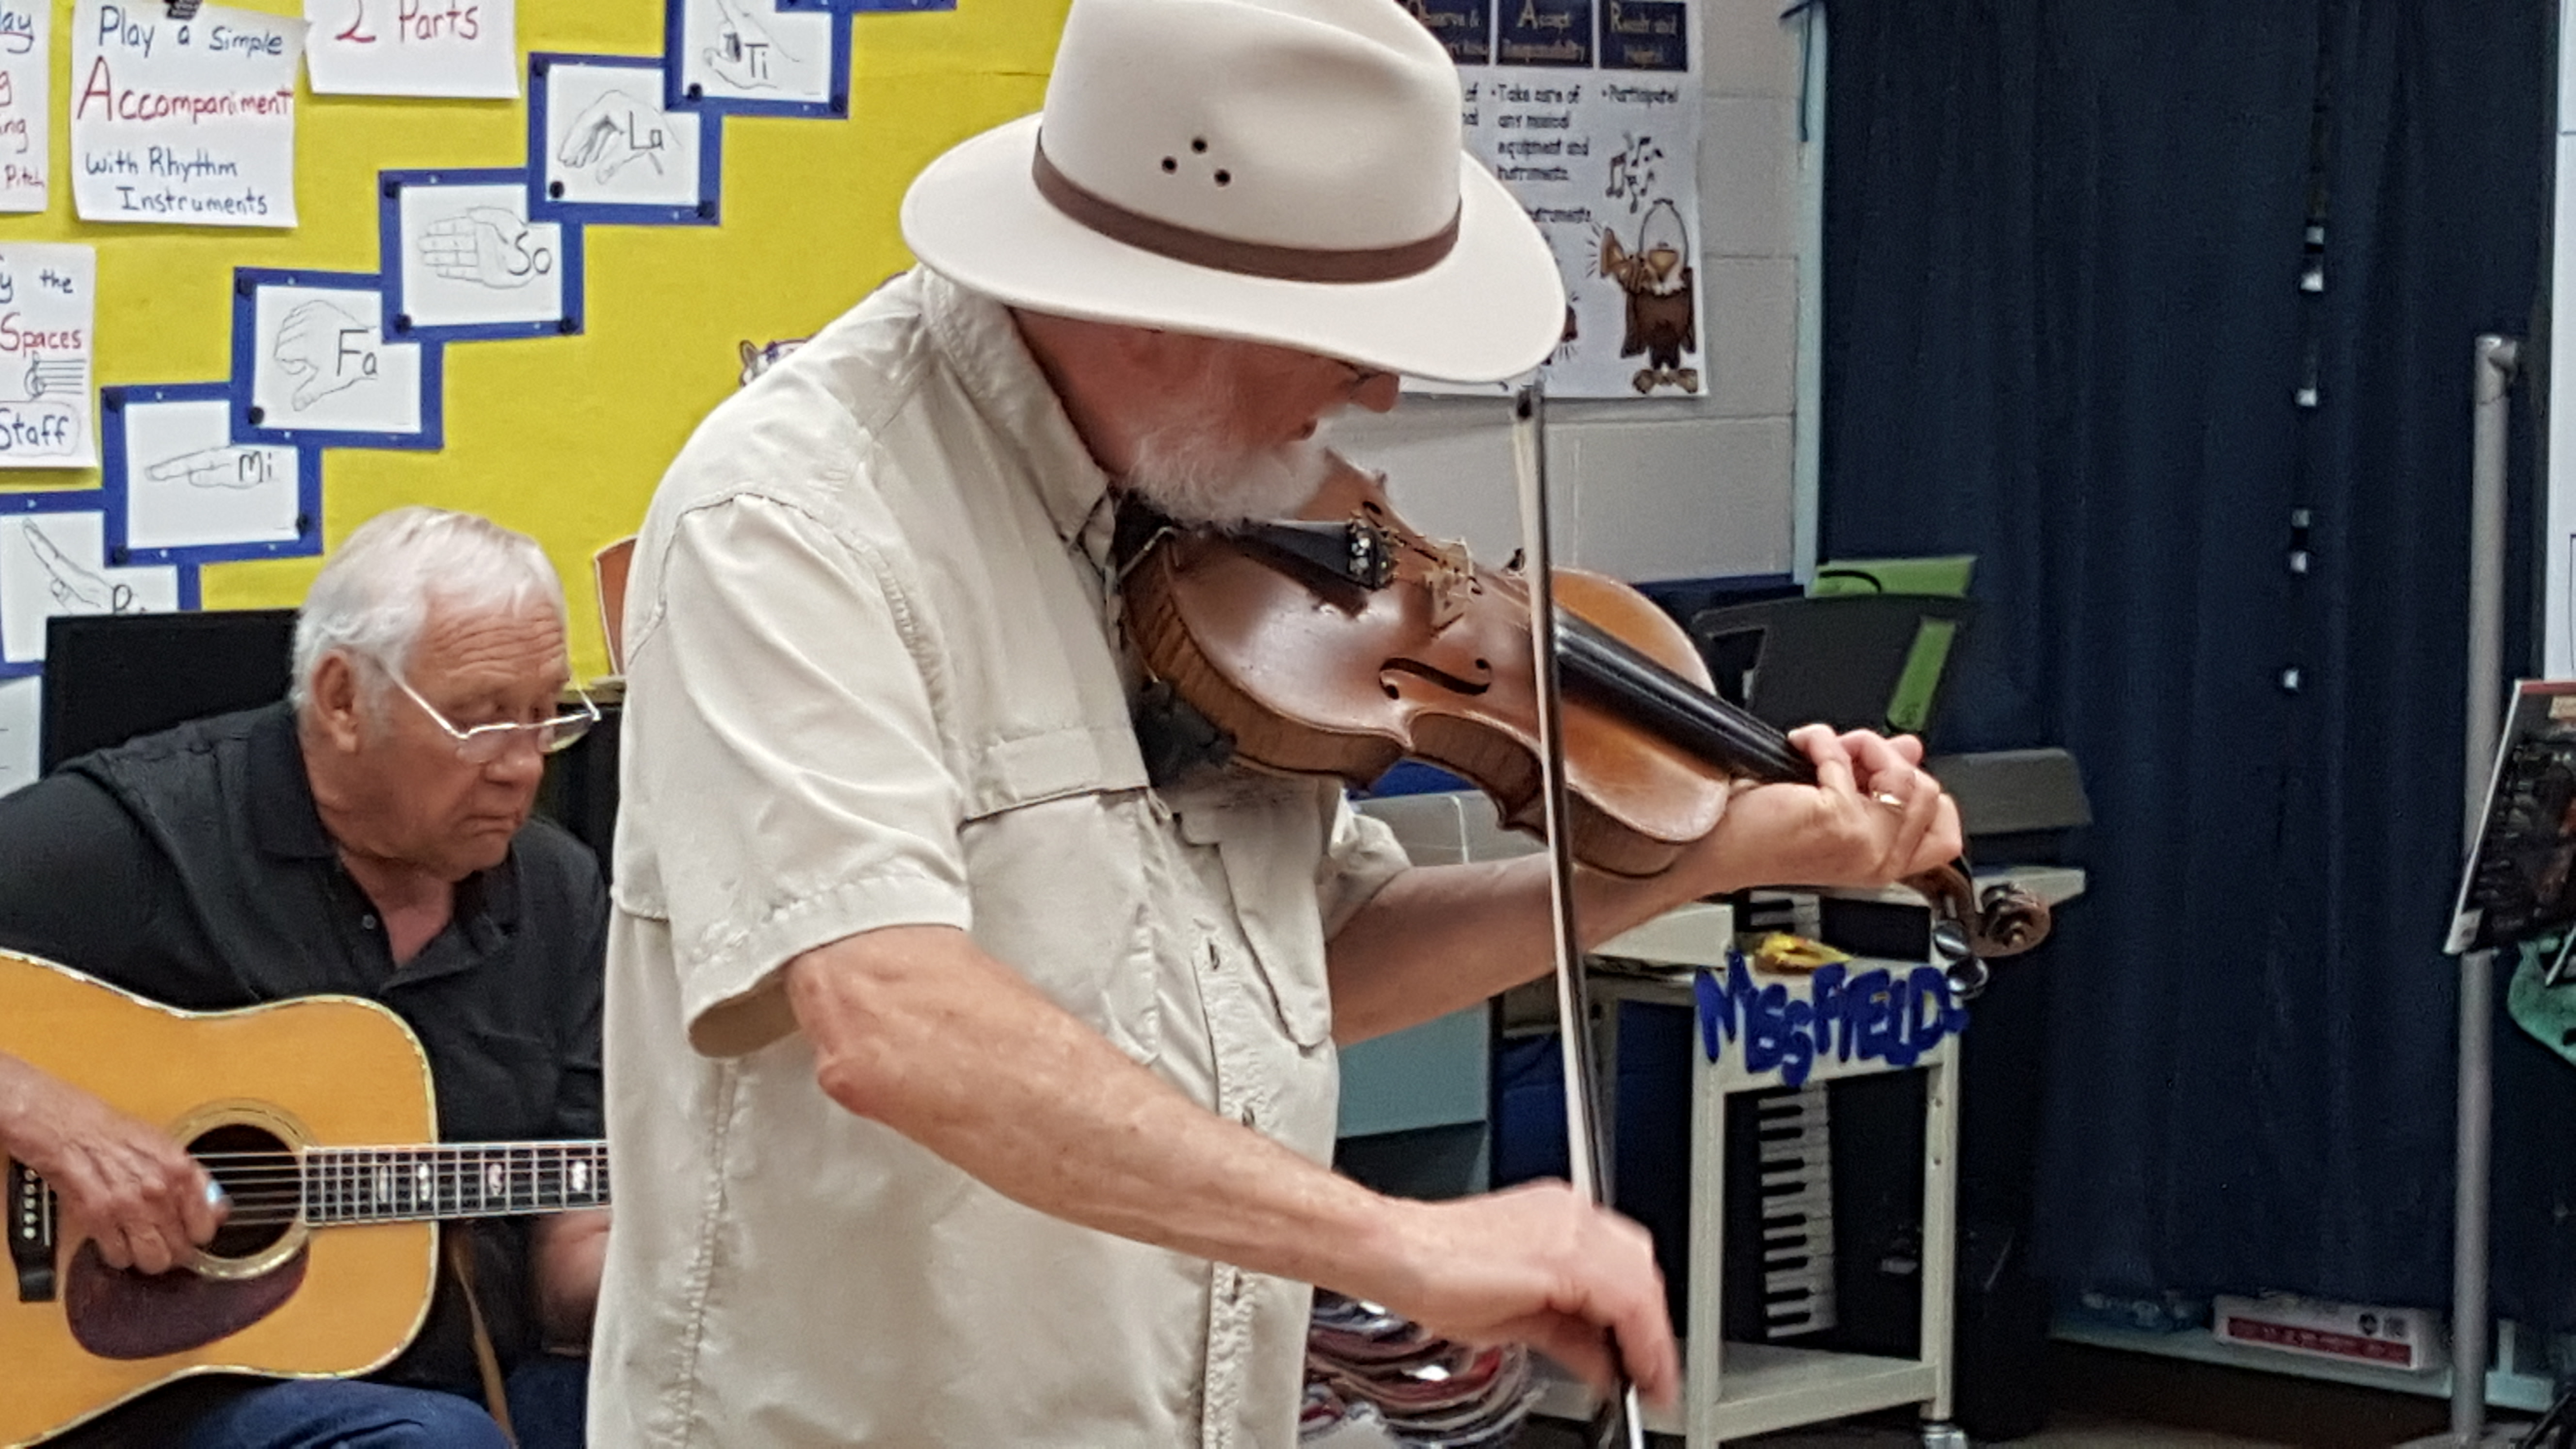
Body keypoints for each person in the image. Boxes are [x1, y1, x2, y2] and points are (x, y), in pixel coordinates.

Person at [588, 0, 1964, 1442]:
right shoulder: (797, 520)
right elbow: (893, 1019)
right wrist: (1400, 1241)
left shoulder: (1222, 525)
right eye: (1344, 336)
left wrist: (1709, 852)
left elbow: (1320, 958)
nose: (1377, 391)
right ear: (1147, 298)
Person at [0, 508, 610, 1449]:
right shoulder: (146, 836)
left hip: (468, 1373)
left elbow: (569, 1255)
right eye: (483, 718)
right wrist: (44, 1113)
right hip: (154, 1390)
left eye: (547, 716)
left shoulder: (562, 893)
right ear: (340, 698)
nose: (523, 766)